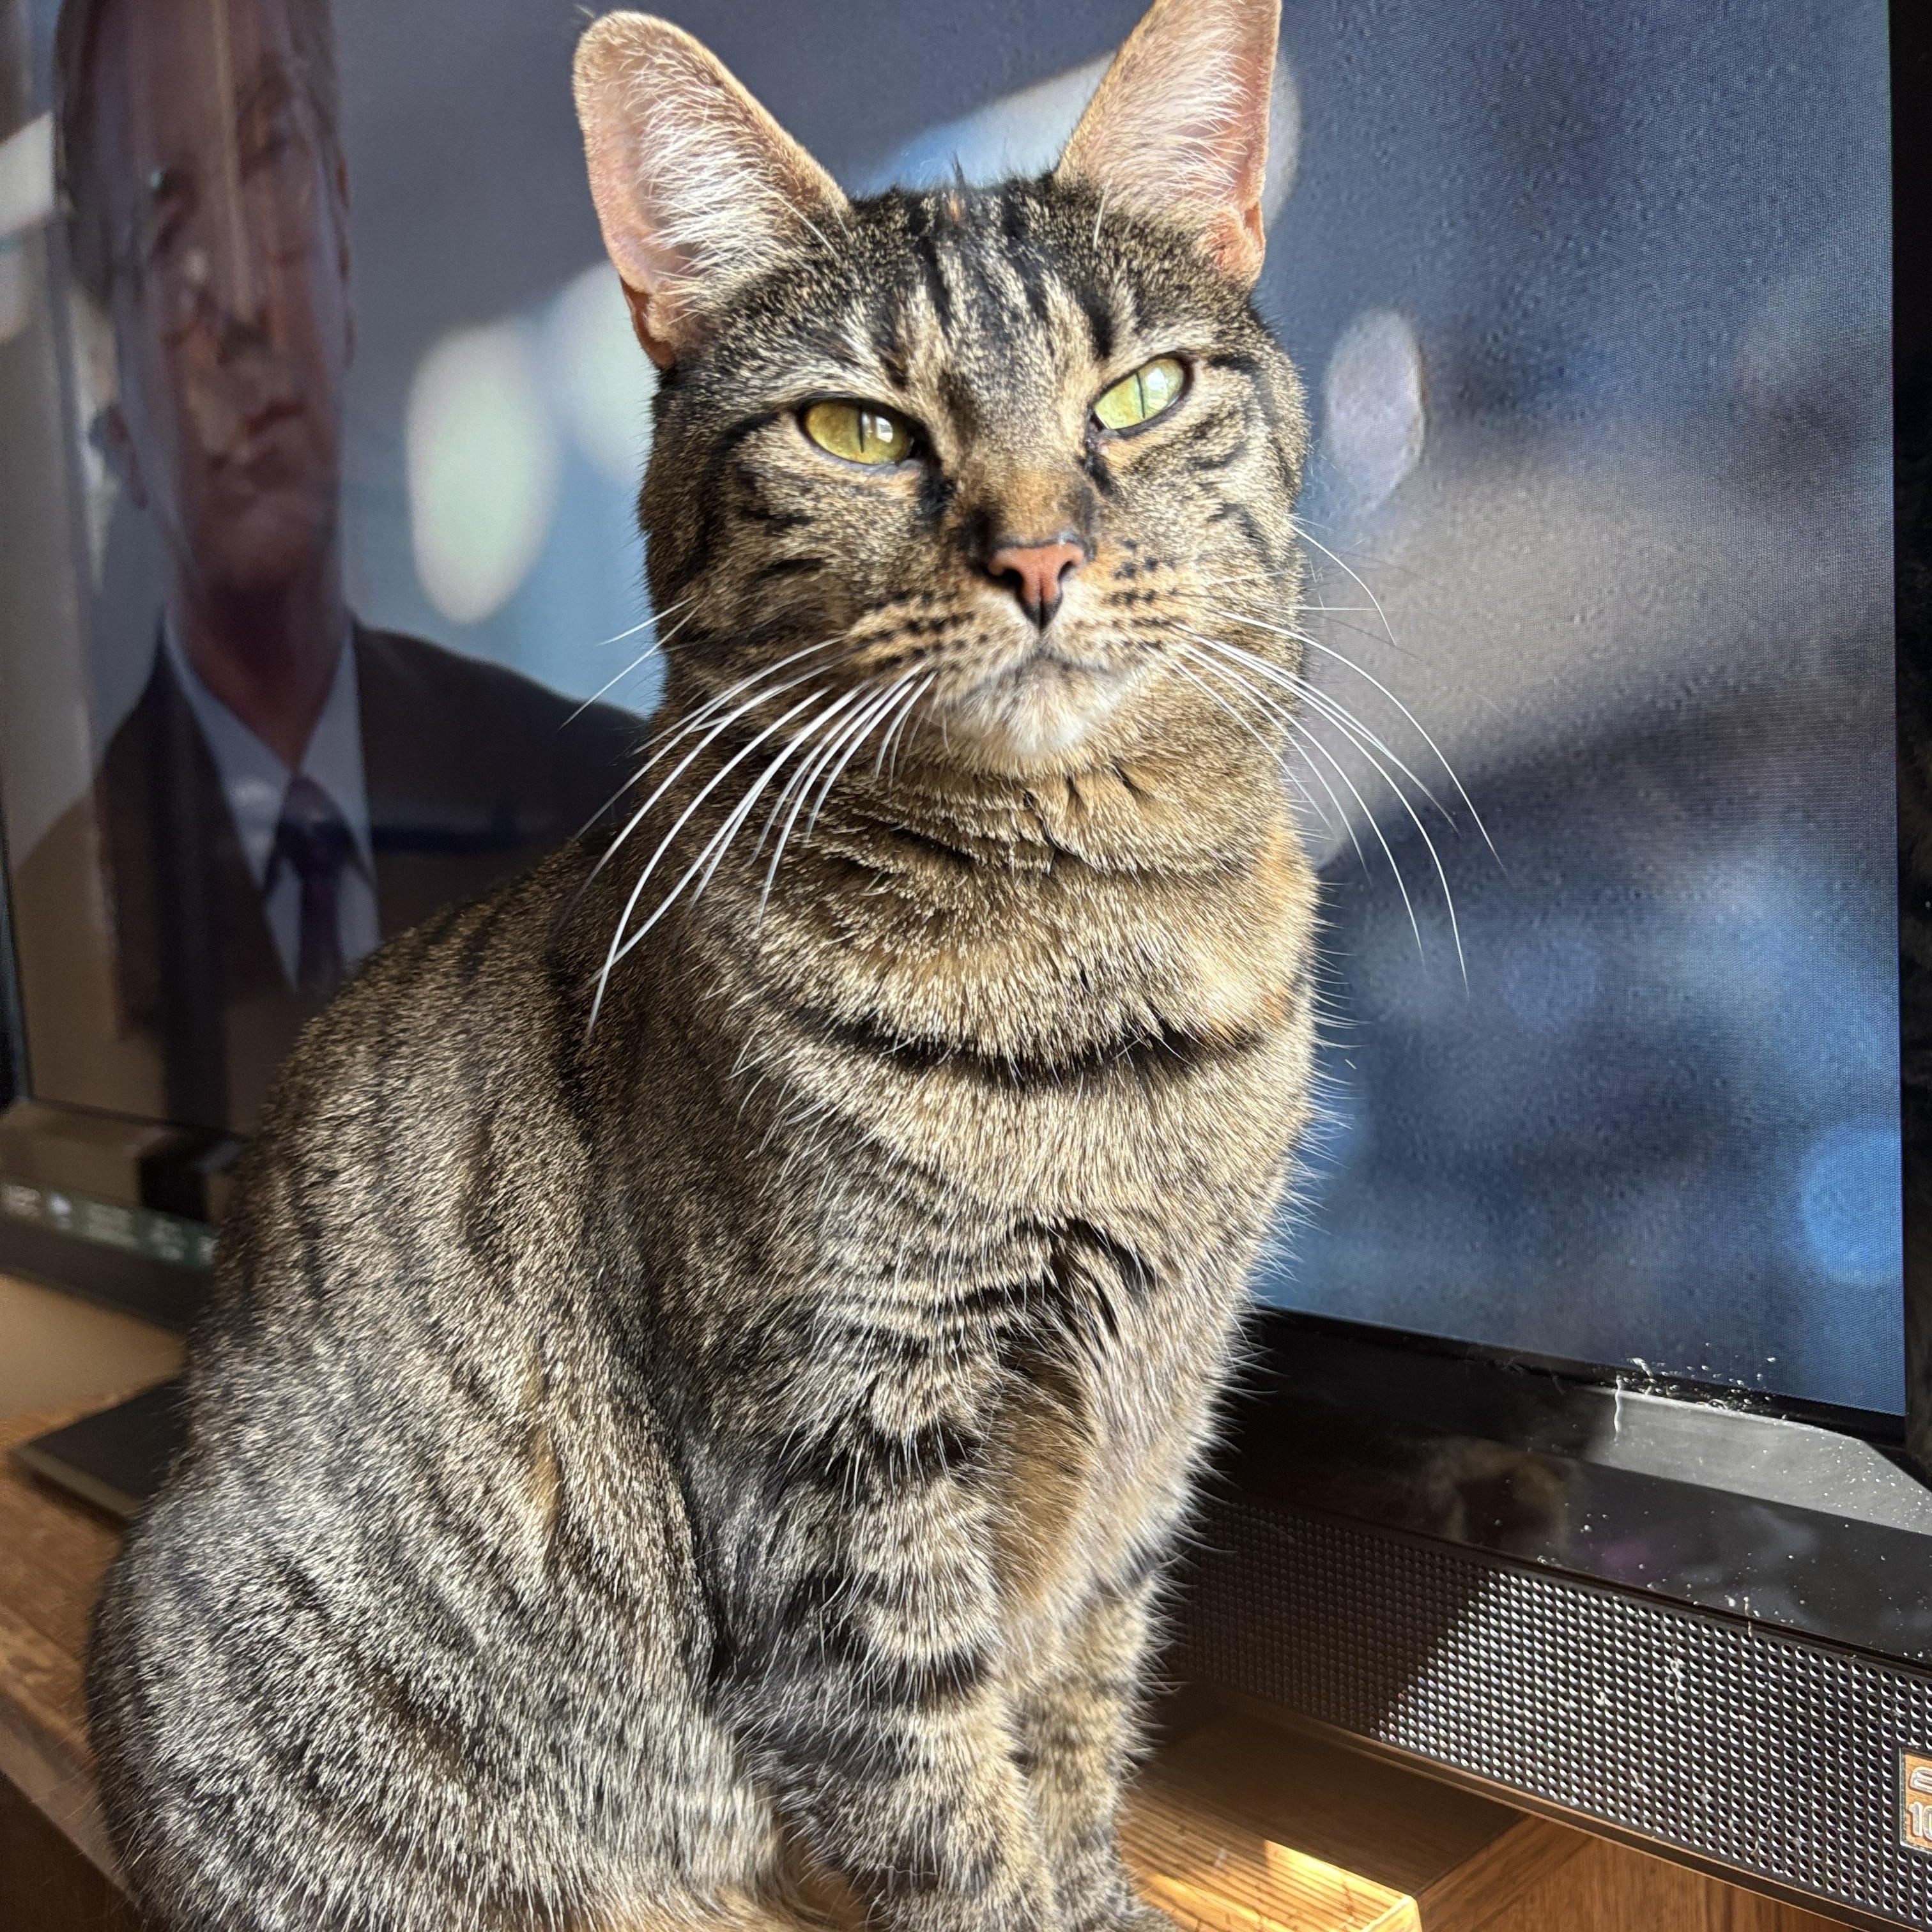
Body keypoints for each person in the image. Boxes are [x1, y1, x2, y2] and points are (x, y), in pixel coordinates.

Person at [18, 0, 640, 1132]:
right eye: (162, 226)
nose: (245, 297)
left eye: (270, 163)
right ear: (106, 387)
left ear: (344, 233)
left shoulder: (615, 810)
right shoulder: (54, 932)